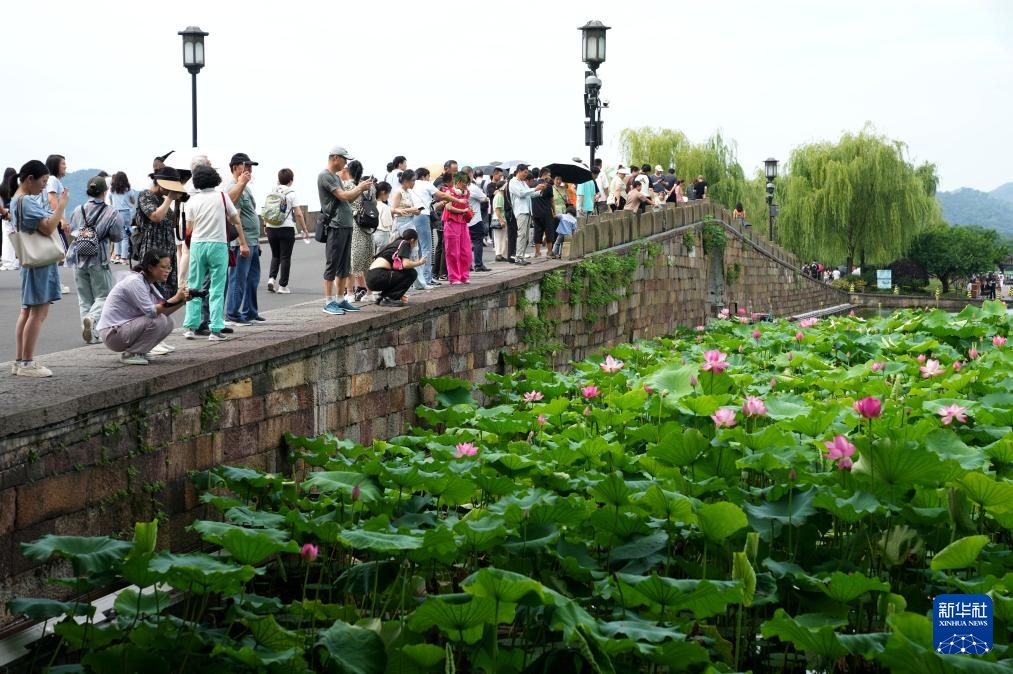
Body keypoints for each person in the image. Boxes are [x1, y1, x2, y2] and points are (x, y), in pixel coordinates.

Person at [10, 160, 69, 377]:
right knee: (38, 312)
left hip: (29, 262)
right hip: (40, 263)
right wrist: (61, 206)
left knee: (27, 311)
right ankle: (27, 363)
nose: (44, 186)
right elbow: (47, 227)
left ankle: (20, 360)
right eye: (43, 181)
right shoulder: (27, 202)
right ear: (30, 179)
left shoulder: (16, 201)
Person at [98, 249, 198, 364]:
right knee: (158, 320)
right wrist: (175, 298)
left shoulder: (148, 283)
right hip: (112, 334)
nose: (167, 271)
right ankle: (131, 354)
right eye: (163, 267)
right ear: (150, 268)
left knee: (168, 321)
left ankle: (141, 352)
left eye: (169, 268)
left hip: (122, 330)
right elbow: (151, 312)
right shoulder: (135, 282)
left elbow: (164, 311)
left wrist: (181, 301)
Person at [181, 164, 245, 342]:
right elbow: (235, 218)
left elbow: (189, 228)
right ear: (215, 179)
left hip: (197, 244)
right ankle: (215, 329)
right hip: (218, 245)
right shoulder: (223, 197)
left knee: (194, 284)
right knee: (216, 287)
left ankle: (190, 327)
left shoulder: (192, 201)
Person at [67, 175, 125, 344]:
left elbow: (72, 231)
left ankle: (91, 336)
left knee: (84, 298)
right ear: (105, 192)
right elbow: (117, 236)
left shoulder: (78, 210)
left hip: (78, 258)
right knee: (104, 296)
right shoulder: (111, 212)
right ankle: (92, 319)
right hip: (99, 258)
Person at [318, 146, 373, 316]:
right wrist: (360, 188)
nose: (346, 164)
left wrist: (360, 190)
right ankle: (328, 302)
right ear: (335, 158)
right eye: (344, 159)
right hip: (335, 225)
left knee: (344, 266)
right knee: (333, 264)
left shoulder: (335, 176)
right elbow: (344, 196)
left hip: (346, 225)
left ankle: (340, 299)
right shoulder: (325, 176)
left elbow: (349, 199)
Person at [223, 153, 263, 325]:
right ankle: (233, 313)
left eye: (251, 166)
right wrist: (242, 243)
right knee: (238, 279)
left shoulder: (245, 186)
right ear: (235, 168)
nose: (249, 170)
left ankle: (250, 312)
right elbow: (234, 217)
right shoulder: (234, 186)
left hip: (253, 240)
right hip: (243, 242)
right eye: (246, 166)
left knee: (252, 279)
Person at [135, 166, 186, 298]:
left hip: (167, 251)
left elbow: (171, 223)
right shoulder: (145, 195)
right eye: (169, 187)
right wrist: (170, 198)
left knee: (166, 293)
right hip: (152, 250)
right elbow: (155, 216)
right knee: (152, 292)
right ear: (158, 183)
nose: (170, 190)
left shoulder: (163, 200)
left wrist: (177, 203)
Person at [265, 168, 309, 295]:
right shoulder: (291, 193)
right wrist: (305, 229)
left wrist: (265, 225)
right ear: (291, 180)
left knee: (275, 255)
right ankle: (282, 286)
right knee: (285, 257)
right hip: (286, 227)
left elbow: (267, 209)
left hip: (271, 226)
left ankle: (271, 279)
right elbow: (299, 214)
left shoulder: (272, 190)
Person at [367, 228, 426, 306]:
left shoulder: (396, 243)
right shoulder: (405, 243)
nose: (415, 244)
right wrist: (419, 262)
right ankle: (389, 298)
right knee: (411, 273)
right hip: (378, 276)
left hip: (372, 278)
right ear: (412, 240)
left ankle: (383, 297)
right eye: (416, 242)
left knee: (404, 272)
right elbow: (406, 264)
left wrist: (399, 293)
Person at [344, 160, 376, 302]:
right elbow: (373, 204)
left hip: (354, 227)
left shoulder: (347, 186)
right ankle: (370, 293)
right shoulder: (370, 188)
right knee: (368, 262)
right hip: (368, 228)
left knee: (351, 262)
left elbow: (344, 205)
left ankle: (350, 293)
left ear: (349, 171)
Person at [508, 164, 548, 265]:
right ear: (519, 171)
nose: (526, 175)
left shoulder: (523, 183)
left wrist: (540, 191)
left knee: (525, 235)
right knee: (522, 234)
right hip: (521, 210)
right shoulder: (513, 182)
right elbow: (521, 193)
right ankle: (518, 257)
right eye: (525, 172)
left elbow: (529, 194)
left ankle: (521, 256)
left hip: (527, 210)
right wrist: (535, 189)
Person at [44, 154, 71, 294]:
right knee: (59, 252)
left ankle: (51, 283)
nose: (65, 166)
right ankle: (52, 284)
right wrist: (61, 219)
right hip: (53, 220)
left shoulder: (53, 180)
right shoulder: (53, 179)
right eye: (63, 163)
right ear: (55, 165)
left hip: (52, 219)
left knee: (56, 253)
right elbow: (51, 198)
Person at [441, 172, 473, 284]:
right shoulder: (449, 192)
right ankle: (454, 277)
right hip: (451, 222)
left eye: (467, 183)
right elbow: (448, 207)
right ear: (458, 181)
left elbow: (467, 206)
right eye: (464, 182)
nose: (465, 185)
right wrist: (462, 211)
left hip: (463, 223)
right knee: (453, 252)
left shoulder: (466, 193)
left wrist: (469, 212)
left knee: (466, 251)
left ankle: (464, 275)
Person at [411, 167, 440, 287]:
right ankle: (427, 278)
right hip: (423, 216)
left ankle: (419, 279)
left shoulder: (412, 184)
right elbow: (439, 195)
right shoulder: (425, 183)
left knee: (416, 249)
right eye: (428, 176)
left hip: (412, 216)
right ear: (424, 176)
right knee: (426, 247)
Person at [465, 167, 490, 271]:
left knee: (466, 244)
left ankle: (468, 265)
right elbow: (484, 198)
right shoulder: (472, 187)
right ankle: (478, 265)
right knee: (478, 241)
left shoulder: (459, 187)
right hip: (475, 219)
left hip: (464, 220)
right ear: (470, 174)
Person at [109, 172, 136, 264]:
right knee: (125, 236)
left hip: (115, 213)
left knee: (117, 235)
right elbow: (133, 201)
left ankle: (117, 256)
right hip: (126, 213)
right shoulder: (128, 190)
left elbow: (110, 201)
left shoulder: (112, 190)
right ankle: (124, 258)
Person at [530, 168, 554, 259]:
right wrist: (554, 211)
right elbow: (551, 201)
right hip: (546, 211)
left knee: (537, 231)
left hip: (535, 211)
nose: (550, 177)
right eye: (549, 175)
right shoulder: (548, 186)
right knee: (549, 231)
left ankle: (537, 252)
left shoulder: (533, 185)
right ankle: (549, 251)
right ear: (545, 174)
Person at [0, 167, 18, 271]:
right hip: (14, 213)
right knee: (16, 237)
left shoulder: (1, 188)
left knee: (7, 238)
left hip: (5, 213)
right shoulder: (16, 187)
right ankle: (15, 261)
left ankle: (7, 262)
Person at [490, 181, 509, 261]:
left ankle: (500, 254)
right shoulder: (499, 196)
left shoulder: (499, 195)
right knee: (500, 238)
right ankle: (499, 254)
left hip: (499, 218)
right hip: (499, 219)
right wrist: (501, 221)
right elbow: (497, 210)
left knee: (501, 238)